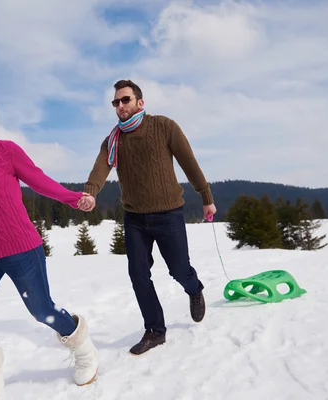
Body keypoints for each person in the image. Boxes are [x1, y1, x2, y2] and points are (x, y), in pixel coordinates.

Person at [0, 96, 98, 399]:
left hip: (20, 248)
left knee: (42, 310)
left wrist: (73, 198)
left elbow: (38, 181)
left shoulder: (5, 152)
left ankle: (83, 349)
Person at [80, 80, 217, 356]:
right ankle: (155, 330)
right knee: (138, 273)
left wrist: (206, 197)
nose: (120, 106)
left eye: (125, 100)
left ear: (140, 102)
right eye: (115, 102)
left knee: (179, 270)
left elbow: (189, 162)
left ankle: (194, 288)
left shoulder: (164, 127)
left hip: (168, 214)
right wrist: (90, 192)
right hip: (134, 218)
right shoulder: (113, 140)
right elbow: (100, 168)